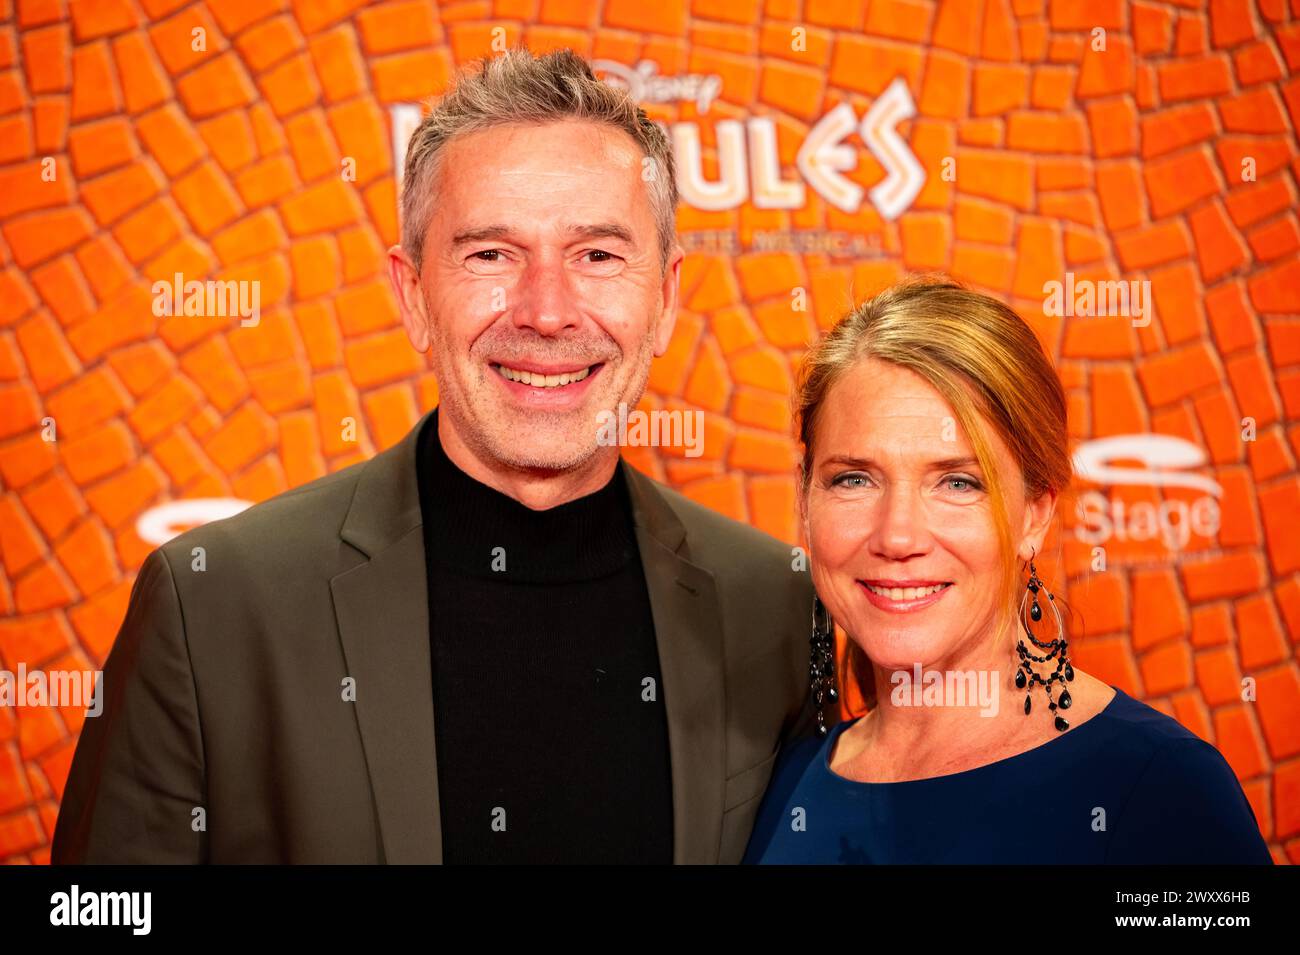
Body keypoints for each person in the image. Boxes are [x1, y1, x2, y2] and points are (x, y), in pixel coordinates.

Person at [52, 48, 813, 864]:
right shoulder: (211, 607)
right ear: (412, 296)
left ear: (664, 299)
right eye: (491, 254)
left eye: (597, 254)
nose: (547, 312)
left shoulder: (776, 604)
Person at [744, 278, 1274, 864]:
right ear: (804, 499)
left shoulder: (1162, 790)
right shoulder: (778, 787)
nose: (897, 536)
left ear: (1034, 515)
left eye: (958, 482)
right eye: (854, 479)